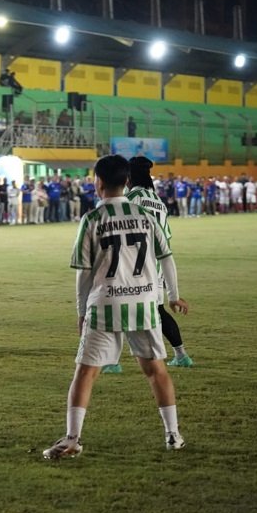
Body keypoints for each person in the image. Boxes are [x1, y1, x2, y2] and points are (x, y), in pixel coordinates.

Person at [43, 155, 189, 460]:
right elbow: (167, 256)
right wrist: (173, 295)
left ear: (98, 182)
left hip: (106, 303)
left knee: (86, 373)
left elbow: (83, 273)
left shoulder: (92, 219)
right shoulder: (145, 214)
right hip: (145, 302)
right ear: (126, 182)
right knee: (156, 371)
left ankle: (72, 438)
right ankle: (173, 435)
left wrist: (81, 312)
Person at [127, 156, 195, 368]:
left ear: (129, 177)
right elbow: (165, 237)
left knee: (118, 305)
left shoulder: (132, 198)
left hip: (136, 264)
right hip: (157, 263)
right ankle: (181, 355)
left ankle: (109, 361)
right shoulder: (159, 202)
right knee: (157, 309)